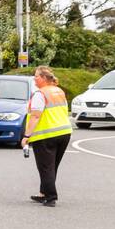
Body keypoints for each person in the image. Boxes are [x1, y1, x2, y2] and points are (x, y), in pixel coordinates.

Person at [22, 66, 71, 207]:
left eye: (36, 76)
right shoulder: (59, 91)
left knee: (45, 167)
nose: (34, 78)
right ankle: (44, 192)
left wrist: (26, 136)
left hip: (46, 135)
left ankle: (50, 197)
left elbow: (35, 116)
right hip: (64, 133)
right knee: (52, 167)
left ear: (43, 78)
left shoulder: (40, 94)